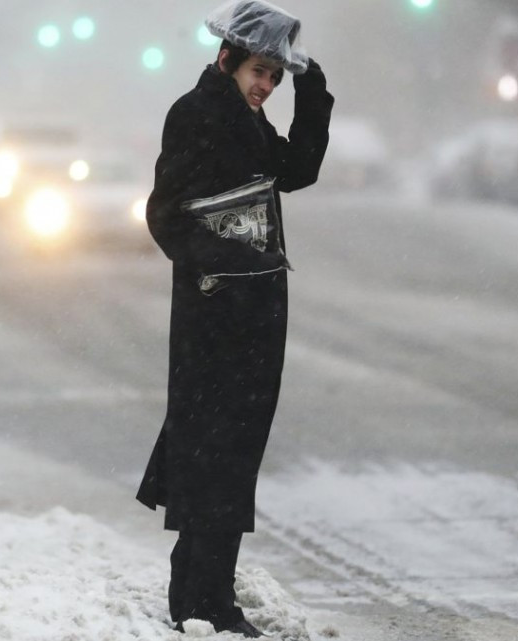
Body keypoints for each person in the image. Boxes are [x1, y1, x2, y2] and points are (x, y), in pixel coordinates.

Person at [135, 1, 333, 637]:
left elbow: (296, 170)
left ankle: (208, 593)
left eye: (275, 77)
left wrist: (313, 94)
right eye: (260, 72)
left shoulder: (250, 121)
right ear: (227, 60)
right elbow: (165, 215)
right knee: (209, 455)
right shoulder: (195, 114)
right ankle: (198, 598)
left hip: (255, 315)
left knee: (235, 456)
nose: (265, 86)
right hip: (214, 314)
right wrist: (218, 266)